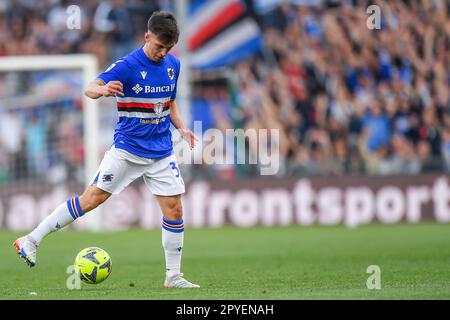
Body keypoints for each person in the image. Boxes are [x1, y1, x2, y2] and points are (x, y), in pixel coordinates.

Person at [13, 11, 200, 289]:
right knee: (91, 200)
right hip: (127, 149)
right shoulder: (127, 65)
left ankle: (173, 277)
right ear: (146, 37)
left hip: (160, 151)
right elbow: (90, 87)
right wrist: (101, 91)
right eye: (159, 46)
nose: (163, 52)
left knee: (174, 209)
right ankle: (31, 239)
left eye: (168, 48)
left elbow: (170, 102)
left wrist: (181, 127)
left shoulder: (173, 64)